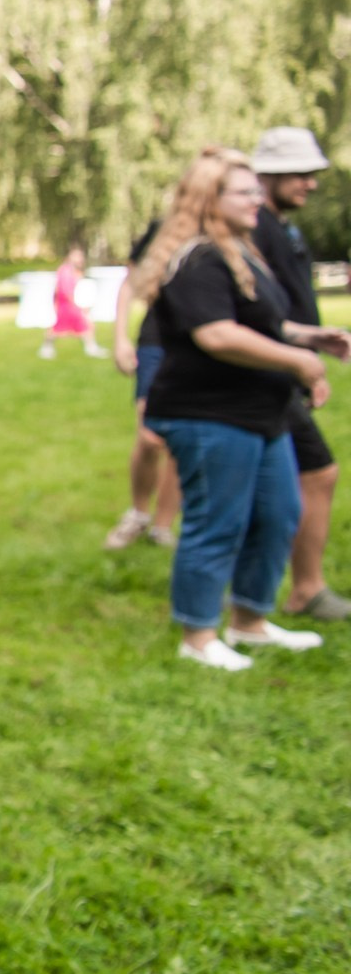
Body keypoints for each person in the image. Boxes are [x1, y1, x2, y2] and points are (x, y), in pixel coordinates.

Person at [127, 147, 346, 670]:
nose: (256, 201)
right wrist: (298, 361)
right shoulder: (195, 258)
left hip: (258, 411)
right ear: (210, 198)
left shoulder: (241, 250)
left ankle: (249, 622)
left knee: (278, 514)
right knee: (216, 522)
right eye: (245, 192)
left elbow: (260, 323)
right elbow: (218, 335)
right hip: (208, 414)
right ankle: (197, 637)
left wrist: (311, 336)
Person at [247, 126, 349, 622]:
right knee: (313, 473)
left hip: (285, 369)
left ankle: (259, 592)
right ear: (270, 173)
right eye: (301, 173)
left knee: (288, 479)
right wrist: (297, 358)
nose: (310, 183)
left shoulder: (282, 226)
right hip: (265, 374)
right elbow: (256, 313)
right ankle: (301, 589)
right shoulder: (256, 228)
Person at [107, 216, 182, 550]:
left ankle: (162, 526)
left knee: (182, 440)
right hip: (157, 339)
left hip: (201, 343)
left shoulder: (226, 226)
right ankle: (138, 513)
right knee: (150, 437)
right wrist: (121, 337)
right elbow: (129, 282)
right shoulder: (165, 227)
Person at [38, 244, 103, 360]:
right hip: (67, 305)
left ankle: (91, 347)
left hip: (70, 304)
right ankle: (47, 348)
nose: (80, 259)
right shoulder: (65, 271)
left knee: (84, 326)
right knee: (60, 328)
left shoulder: (72, 271)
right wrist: (78, 305)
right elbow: (66, 291)